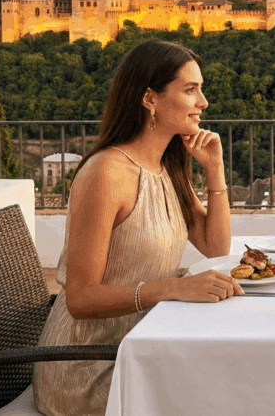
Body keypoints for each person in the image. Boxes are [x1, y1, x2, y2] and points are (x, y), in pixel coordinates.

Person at [33, 39, 243, 416]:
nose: (204, 102)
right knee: (221, 393)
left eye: (201, 89)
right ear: (150, 99)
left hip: (143, 344)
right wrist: (175, 288)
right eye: (190, 90)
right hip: (89, 365)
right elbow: (80, 300)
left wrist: (215, 170)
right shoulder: (107, 174)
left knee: (235, 376)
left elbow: (216, 245)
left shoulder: (166, 167)